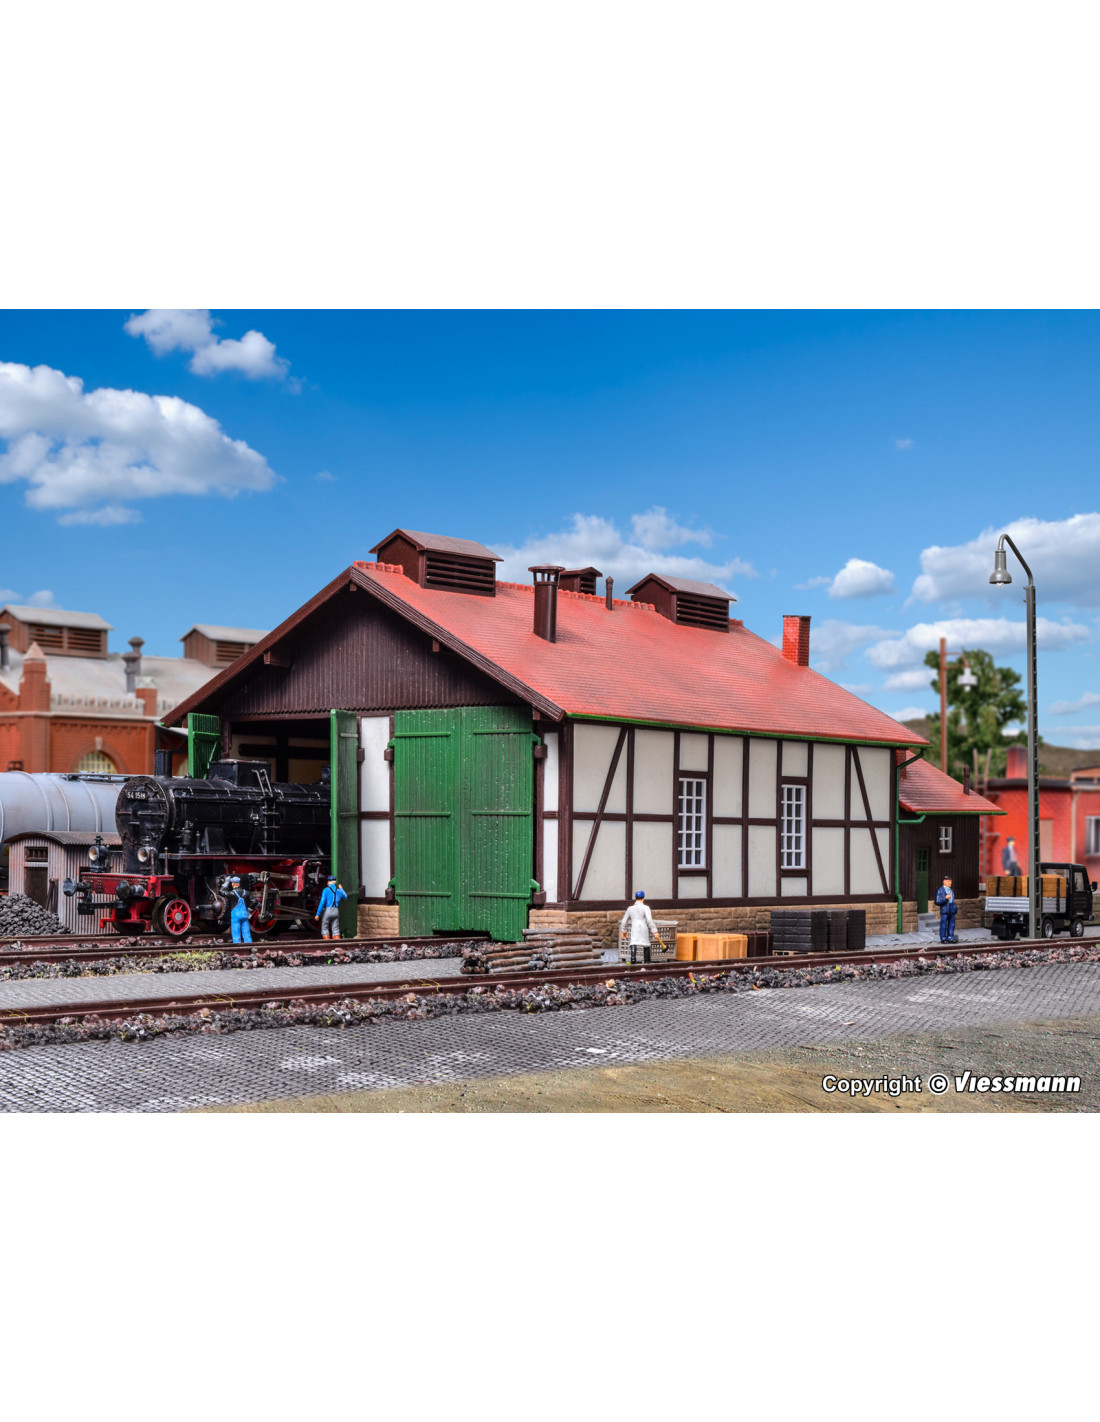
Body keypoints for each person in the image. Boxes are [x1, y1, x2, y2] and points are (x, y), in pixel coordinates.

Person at [619, 890, 657, 965]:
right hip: (643, 927)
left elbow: (624, 921)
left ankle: (633, 959)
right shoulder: (646, 908)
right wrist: (654, 931)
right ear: (643, 898)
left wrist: (624, 930)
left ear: (635, 898)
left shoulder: (630, 908)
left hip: (635, 928)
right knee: (646, 943)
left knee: (634, 942)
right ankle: (647, 960)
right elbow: (649, 920)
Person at [315, 875, 347, 940]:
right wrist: (341, 889)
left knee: (324, 927)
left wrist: (318, 914)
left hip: (328, 911)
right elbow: (345, 897)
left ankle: (327, 941)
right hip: (336, 911)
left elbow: (322, 902)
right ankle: (337, 941)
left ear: (328, 882)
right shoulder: (339, 891)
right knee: (336, 928)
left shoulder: (326, 890)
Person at [228, 875, 252, 945]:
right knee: (246, 931)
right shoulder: (246, 892)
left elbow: (222, 892)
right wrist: (249, 909)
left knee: (236, 931)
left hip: (236, 915)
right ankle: (249, 944)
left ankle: (237, 945)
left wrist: (225, 884)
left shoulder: (232, 893)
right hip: (244, 914)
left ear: (233, 884)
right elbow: (254, 901)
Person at [934, 875, 957, 944]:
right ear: (944, 882)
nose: (950, 883)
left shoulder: (951, 890)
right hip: (945, 909)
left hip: (951, 909)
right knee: (943, 924)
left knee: (952, 924)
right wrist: (945, 898)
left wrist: (954, 908)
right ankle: (943, 938)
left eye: (950, 881)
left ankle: (950, 937)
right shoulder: (940, 890)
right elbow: (937, 901)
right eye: (948, 881)